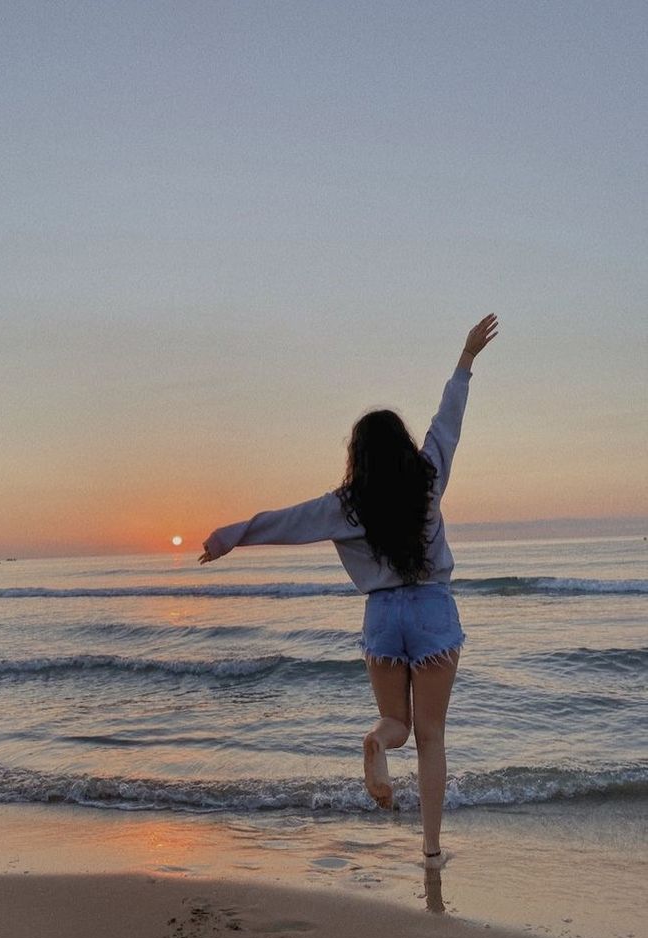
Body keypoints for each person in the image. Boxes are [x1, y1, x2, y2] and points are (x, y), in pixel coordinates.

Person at [199, 314, 499, 868]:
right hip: (433, 610)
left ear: (357, 455)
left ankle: (377, 744)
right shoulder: (429, 474)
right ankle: (431, 851)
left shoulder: (345, 505)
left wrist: (231, 537)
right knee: (432, 738)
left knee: (399, 727)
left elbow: (286, 522)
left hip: (382, 617)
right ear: (405, 446)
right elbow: (449, 421)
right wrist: (465, 359)